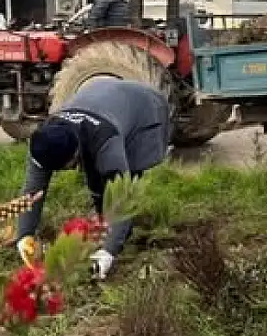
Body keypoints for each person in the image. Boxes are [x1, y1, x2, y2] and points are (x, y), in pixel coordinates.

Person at [16, 77, 171, 280]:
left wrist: (108, 253)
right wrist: (24, 236)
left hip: (144, 108)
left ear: (75, 153)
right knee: (96, 180)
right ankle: (107, 226)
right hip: (102, 95)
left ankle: (120, 237)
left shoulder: (107, 143)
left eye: (67, 167)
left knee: (126, 177)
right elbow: (31, 192)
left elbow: (121, 197)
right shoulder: (45, 140)